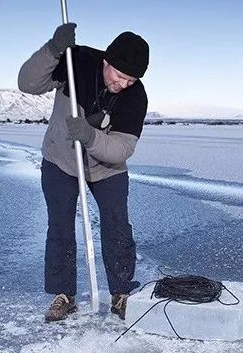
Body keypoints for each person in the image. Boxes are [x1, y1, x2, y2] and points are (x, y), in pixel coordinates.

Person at [17, 23, 149, 322]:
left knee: (117, 226)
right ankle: (64, 295)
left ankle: (121, 293)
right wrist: (52, 50)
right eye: (119, 75)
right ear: (106, 62)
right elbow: (28, 84)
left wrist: (89, 136)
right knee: (60, 226)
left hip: (107, 168)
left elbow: (121, 149)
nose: (124, 84)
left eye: (131, 79)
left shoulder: (135, 97)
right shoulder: (77, 61)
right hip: (60, 159)